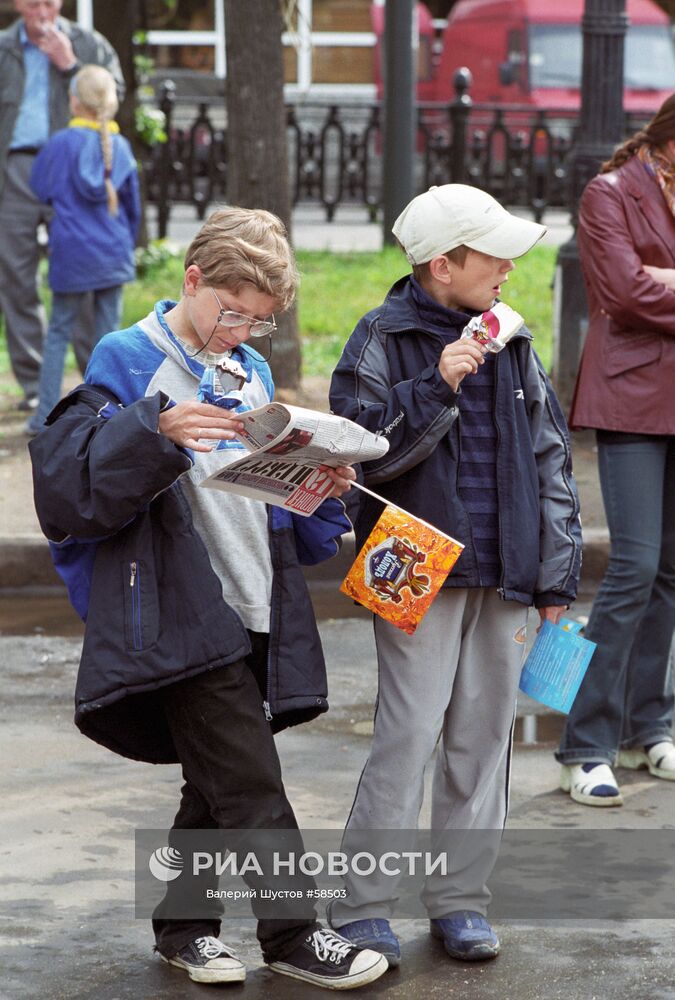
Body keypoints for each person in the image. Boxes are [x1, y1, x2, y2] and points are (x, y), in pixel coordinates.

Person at [28, 207, 388, 990]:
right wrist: (156, 431)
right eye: (232, 312)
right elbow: (80, 484)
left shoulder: (249, 372)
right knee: (252, 783)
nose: (240, 331)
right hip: (178, 605)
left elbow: (255, 493)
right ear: (192, 282)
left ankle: (184, 929)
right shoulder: (127, 356)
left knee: (214, 781)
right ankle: (294, 936)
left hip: (251, 591)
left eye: (257, 323)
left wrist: (315, 484)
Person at [328, 184, 581, 967]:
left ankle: (461, 901)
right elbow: (355, 452)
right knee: (405, 736)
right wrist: (436, 383)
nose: (509, 267)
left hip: (503, 565)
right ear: (444, 264)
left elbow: (550, 458)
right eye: (493, 253)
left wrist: (555, 574)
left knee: (482, 741)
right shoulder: (381, 336)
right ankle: (363, 904)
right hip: (411, 565)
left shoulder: (510, 339)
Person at [556, 95, 675, 806]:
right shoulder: (608, 193)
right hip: (630, 399)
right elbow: (625, 293)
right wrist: (653, 282)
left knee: (669, 571)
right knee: (630, 567)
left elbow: (645, 289)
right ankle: (584, 745)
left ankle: (644, 728)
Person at [0, 0, 123, 410]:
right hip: (14, 168)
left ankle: (96, 385)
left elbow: (114, 95)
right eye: (33, 2)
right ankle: (36, 387)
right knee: (16, 275)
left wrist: (71, 65)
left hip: (75, 168)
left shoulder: (90, 44)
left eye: (50, 1)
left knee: (83, 276)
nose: (43, 10)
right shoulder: (4, 48)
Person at [26, 64, 139, 436]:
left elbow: (39, 187)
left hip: (72, 254)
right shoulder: (120, 147)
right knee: (108, 338)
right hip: (111, 252)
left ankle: (44, 415)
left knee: (58, 332)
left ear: (74, 101)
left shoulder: (60, 144)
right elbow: (133, 208)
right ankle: (104, 415)